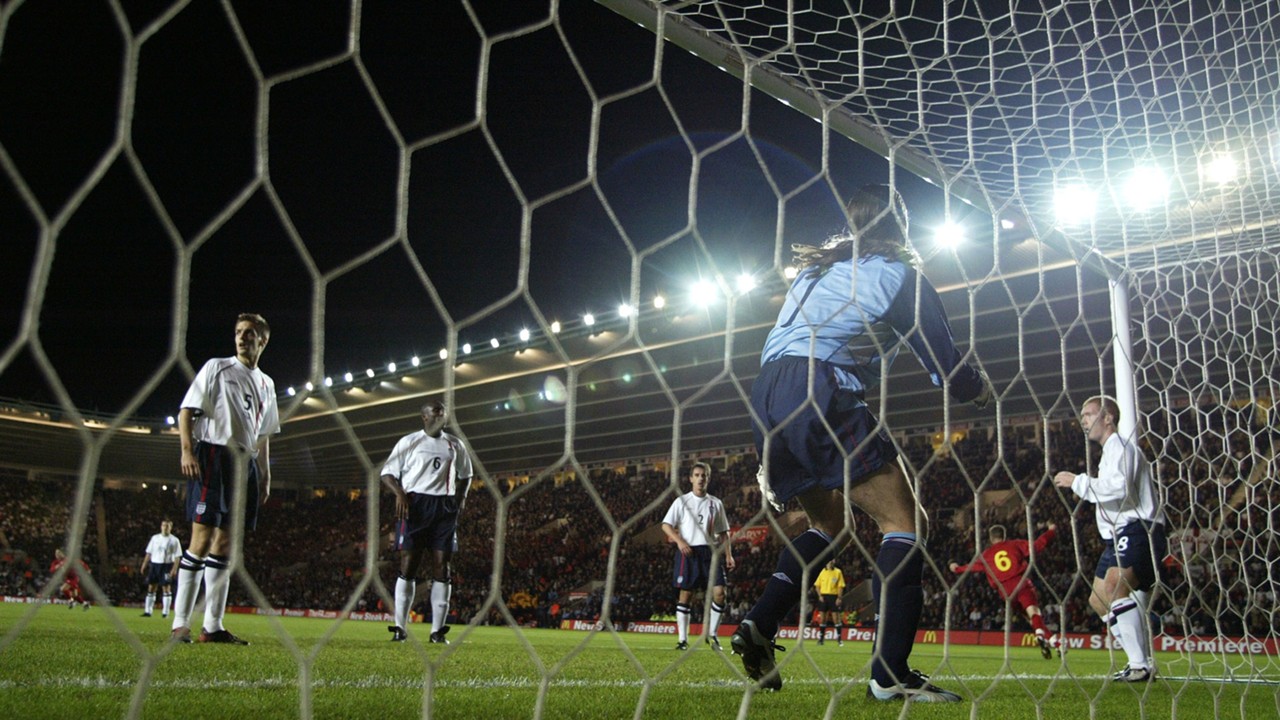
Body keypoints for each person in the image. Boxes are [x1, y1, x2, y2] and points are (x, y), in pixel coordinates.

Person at [734, 184, 992, 701]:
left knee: (828, 522)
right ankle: (889, 670)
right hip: (819, 388)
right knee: (902, 523)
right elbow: (946, 367)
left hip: (766, 394)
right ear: (902, 230)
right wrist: (978, 391)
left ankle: (759, 623)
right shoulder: (902, 278)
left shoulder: (815, 270)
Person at [171, 313, 280, 645]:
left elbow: (263, 434)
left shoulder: (267, 383)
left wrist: (264, 474)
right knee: (200, 541)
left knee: (226, 547)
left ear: (263, 341)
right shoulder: (217, 367)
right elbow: (187, 411)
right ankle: (179, 625)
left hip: (244, 465)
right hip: (214, 456)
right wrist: (187, 451)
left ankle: (213, 626)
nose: (242, 337)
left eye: (249, 333)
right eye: (238, 332)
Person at [1054, 395, 1166, 683]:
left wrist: (1078, 481)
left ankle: (1140, 664)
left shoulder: (1123, 448)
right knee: (1099, 600)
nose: (1084, 420)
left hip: (1139, 528)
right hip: (1117, 536)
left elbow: (1120, 489)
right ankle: (1139, 648)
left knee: (1116, 587)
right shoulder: (1109, 453)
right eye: (1082, 416)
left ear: (1108, 418)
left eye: (1089, 414)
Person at [381, 398, 474, 644]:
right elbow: (387, 473)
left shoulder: (455, 444)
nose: (441, 416)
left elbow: (467, 474)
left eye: (443, 413)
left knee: (442, 565)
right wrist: (400, 493)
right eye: (436, 412)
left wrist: (460, 497)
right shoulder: (409, 442)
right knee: (409, 563)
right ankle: (400, 627)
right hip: (415, 505)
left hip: (443, 507)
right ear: (424, 416)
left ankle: (436, 631)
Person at [949, 522, 1058, 658]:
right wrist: (1051, 531)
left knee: (1029, 617)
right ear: (1004, 536)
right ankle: (1041, 636)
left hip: (1005, 592)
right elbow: (1038, 545)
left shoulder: (986, 555)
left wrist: (955, 568)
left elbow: (969, 568)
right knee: (1034, 612)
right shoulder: (1014, 544)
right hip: (1021, 583)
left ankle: (1055, 643)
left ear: (990, 538)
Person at [660, 462, 736, 650]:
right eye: (697, 475)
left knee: (720, 593)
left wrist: (729, 555)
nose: (701, 478)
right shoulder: (682, 501)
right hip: (689, 552)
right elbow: (666, 525)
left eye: (704, 475)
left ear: (708, 478)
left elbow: (724, 532)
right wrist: (679, 541)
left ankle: (712, 635)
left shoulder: (716, 503)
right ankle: (682, 640)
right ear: (691, 478)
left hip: (710, 553)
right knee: (686, 595)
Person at [140, 519, 182, 618]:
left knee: (166, 588)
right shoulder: (155, 538)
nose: (165, 527)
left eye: (167, 526)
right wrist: (144, 565)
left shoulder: (174, 540)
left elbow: (177, 557)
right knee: (151, 587)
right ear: (161, 526)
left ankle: (165, 612)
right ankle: (148, 611)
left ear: (170, 527)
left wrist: (174, 569)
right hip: (155, 565)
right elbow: (149, 553)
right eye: (163, 525)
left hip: (167, 565)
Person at [812, 559, 846, 646]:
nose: (830, 562)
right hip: (823, 597)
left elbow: (840, 586)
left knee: (836, 619)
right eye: (829, 561)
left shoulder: (838, 572)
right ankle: (821, 639)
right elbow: (817, 586)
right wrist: (820, 596)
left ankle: (839, 639)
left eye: (832, 561)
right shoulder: (822, 572)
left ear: (834, 562)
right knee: (823, 619)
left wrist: (839, 597)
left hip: (833, 597)